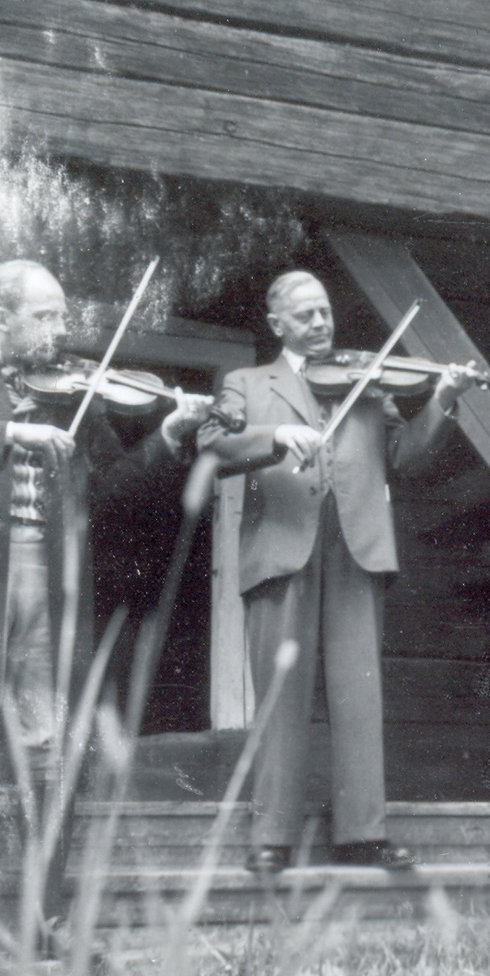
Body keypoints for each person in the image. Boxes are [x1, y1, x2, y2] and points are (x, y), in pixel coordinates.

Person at [197, 270, 474, 873]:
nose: (321, 323)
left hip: (356, 546)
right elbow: (212, 444)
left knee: (359, 694)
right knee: (280, 696)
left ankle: (363, 833)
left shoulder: (366, 383)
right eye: (306, 315)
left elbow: (405, 456)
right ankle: (272, 836)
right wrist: (276, 435)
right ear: (277, 324)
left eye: (325, 312)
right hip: (282, 545)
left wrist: (443, 400)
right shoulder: (247, 382)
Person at [0, 260, 214, 787]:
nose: (61, 330)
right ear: (1, 317)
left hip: (43, 560)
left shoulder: (70, 392)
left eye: (63, 317)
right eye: (45, 316)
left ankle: (39, 814)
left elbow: (111, 487)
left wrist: (168, 433)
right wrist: (11, 432)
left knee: (41, 711)